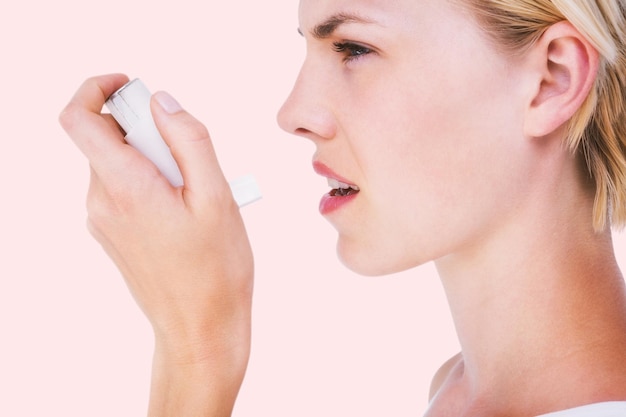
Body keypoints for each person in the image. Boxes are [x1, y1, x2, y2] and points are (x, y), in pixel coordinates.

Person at [59, 0, 626, 416]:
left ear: (554, 79)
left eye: (355, 48)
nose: (294, 113)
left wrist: (198, 347)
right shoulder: (458, 390)